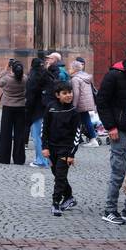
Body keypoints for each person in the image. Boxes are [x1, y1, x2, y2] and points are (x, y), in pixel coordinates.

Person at [96, 43, 126, 225]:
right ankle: (110, 209)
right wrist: (110, 126)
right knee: (119, 171)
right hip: (120, 130)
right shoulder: (113, 75)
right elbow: (102, 102)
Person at [41, 79, 87, 215]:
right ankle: (69, 197)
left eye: (70, 92)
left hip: (65, 149)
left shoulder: (74, 111)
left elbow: (77, 135)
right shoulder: (50, 107)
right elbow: (45, 128)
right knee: (57, 175)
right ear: (57, 95)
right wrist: (45, 147)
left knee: (60, 177)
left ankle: (55, 203)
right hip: (52, 148)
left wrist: (71, 154)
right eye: (65, 93)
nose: (69, 95)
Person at [0, 59, 26, 165]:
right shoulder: (25, 78)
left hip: (8, 107)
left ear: (11, 69)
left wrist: (5, 69)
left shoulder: (7, 79)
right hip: (21, 107)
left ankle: (4, 158)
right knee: (19, 134)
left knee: (5, 133)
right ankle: (19, 159)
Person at [24, 54, 48, 167]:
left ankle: (40, 160)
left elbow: (30, 96)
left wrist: (28, 110)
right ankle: (46, 159)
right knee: (45, 135)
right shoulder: (47, 75)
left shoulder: (33, 77)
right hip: (46, 109)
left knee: (37, 136)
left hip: (36, 111)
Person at [70, 59, 99, 144]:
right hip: (86, 102)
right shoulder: (85, 77)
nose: (69, 70)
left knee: (82, 121)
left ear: (74, 69)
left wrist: (74, 105)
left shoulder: (75, 79)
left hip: (80, 103)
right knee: (86, 120)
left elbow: (76, 93)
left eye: (71, 68)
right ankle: (91, 138)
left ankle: (92, 139)